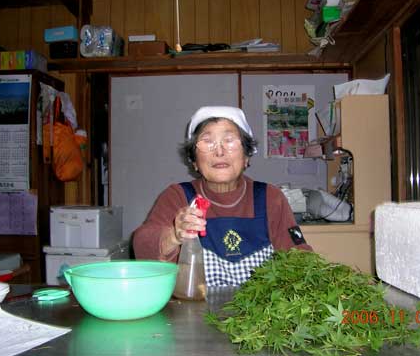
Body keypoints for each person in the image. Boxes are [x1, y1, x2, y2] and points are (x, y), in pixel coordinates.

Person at [133, 106, 312, 286]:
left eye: (229, 141)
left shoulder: (270, 197)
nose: (219, 152)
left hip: (259, 310)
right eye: (207, 141)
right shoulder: (178, 196)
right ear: (194, 161)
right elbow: (142, 246)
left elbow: (298, 254)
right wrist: (174, 235)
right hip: (194, 310)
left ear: (247, 157)